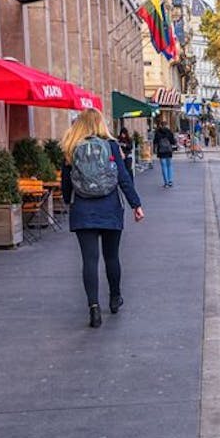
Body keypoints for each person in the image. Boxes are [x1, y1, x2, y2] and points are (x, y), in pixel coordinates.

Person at [60, 109, 144, 328]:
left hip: (83, 209)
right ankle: (115, 298)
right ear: (101, 124)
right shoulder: (112, 146)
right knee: (111, 257)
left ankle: (94, 308)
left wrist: (69, 202)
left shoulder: (71, 148)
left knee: (89, 261)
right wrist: (136, 204)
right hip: (110, 208)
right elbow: (123, 178)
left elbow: (65, 185)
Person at [152, 119, 177, 187]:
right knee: (169, 166)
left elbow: (155, 142)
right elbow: (173, 142)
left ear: (160, 125)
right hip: (168, 151)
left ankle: (166, 182)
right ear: (166, 125)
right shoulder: (169, 132)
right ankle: (170, 181)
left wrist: (154, 149)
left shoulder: (157, 132)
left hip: (161, 151)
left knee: (164, 166)